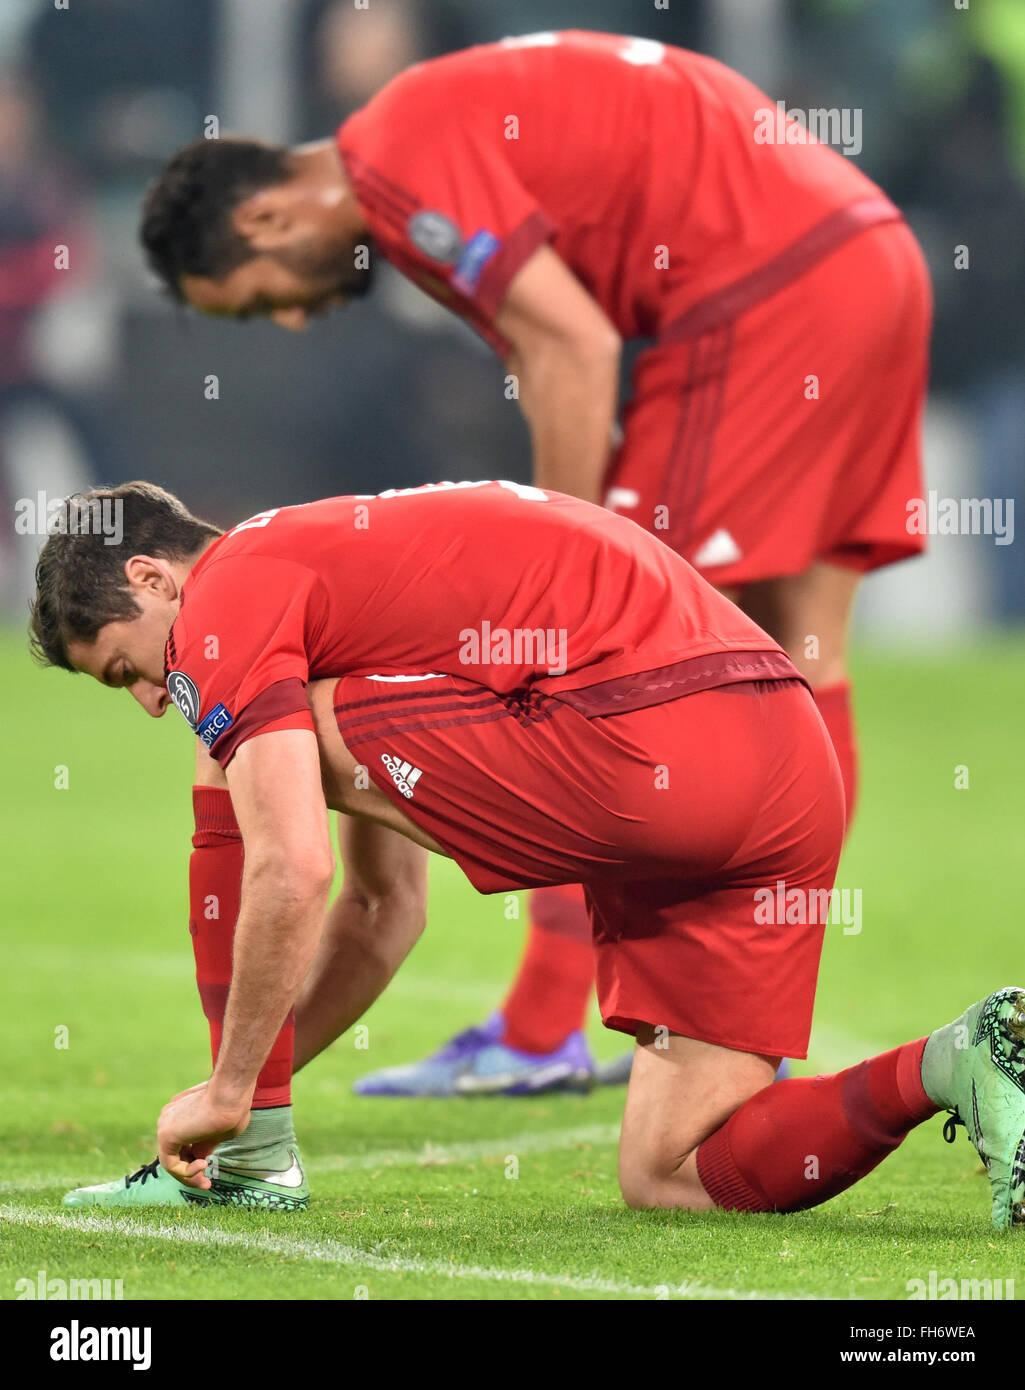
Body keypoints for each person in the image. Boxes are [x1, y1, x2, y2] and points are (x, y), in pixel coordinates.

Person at [137, 31, 932, 1095]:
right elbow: (558, 330)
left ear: (265, 217)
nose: (291, 314)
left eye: (260, 291)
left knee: (610, 662)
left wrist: (554, 545)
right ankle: (754, 1016)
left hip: (760, 298)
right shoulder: (438, 124)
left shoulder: (396, 156)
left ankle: (549, 1023)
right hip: (865, 256)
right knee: (797, 642)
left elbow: (573, 347)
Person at [29, 479, 1020, 1227]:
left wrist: (235, 1087)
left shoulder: (229, 595)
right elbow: (383, 916)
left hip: (646, 733)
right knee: (669, 1170)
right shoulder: (330, 578)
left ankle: (250, 1152)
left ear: (151, 576)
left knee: (228, 741)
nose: (150, 698)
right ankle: (955, 1059)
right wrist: (240, 1082)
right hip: (781, 763)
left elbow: (294, 864)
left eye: (126, 666)